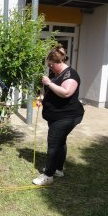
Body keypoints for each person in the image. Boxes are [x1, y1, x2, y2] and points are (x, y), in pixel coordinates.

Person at [32, 45, 84, 186]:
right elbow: (47, 90)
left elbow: (66, 92)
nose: (50, 67)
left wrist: (49, 83)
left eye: (51, 65)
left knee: (54, 143)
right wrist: (41, 98)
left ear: (59, 62)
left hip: (67, 116)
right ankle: (58, 169)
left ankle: (48, 175)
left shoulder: (71, 75)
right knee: (60, 141)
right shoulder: (54, 74)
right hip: (55, 115)